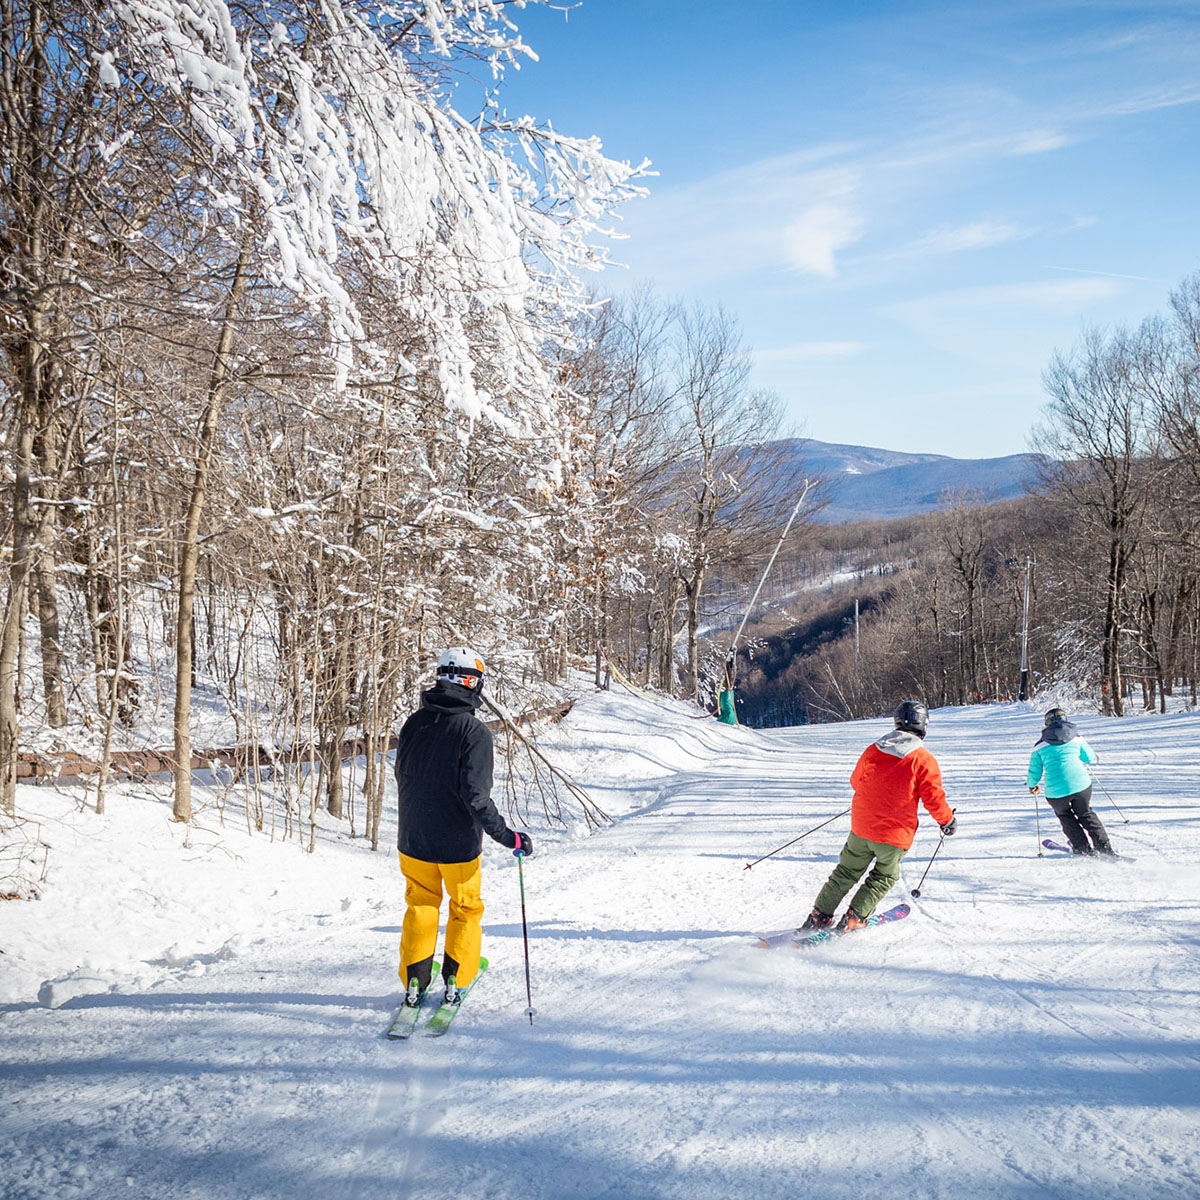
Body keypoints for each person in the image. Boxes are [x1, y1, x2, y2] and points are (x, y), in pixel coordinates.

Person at [394, 646, 532, 1006]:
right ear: (470, 682)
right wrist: (509, 837)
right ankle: (456, 977)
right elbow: (477, 797)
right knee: (465, 907)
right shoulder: (473, 731)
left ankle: (414, 981)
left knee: (421, 906)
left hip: (412, 841)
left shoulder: (414, 722)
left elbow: (403, 776)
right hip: (456, 845)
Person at [801, 700, 956, 932]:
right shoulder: (923, 760)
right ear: (923, 726)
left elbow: (856, 781)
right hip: (894, 836)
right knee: (884, 876)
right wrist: (947, 821)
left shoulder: (873, 750)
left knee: (845, 871)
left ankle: (819, 917)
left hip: (861, 828)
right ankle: (854, 917)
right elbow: (933, 798)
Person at [1027, 707, 1112, 856]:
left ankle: (1082, 848)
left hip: (1056, 791)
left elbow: (1035, 771)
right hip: (1081, 785)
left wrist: (1032, 785)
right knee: (1086, 814)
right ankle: (1104, 849)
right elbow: (1090, 758)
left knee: (1065, 815)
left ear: (1046, 724)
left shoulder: (1039, 746)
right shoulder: (1077, 738)